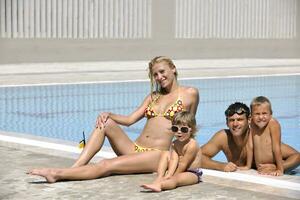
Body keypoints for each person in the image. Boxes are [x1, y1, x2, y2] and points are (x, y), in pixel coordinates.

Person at [27, 56, 200, 183]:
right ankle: (76, 167)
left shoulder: (189, 94)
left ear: (173, 69)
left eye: (162, 72)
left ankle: (57, 174)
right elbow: (130, 119)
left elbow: (190, 128)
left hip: (155, 154)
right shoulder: (153, 96)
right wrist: (108, 114)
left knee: (106, 164)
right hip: (134, 147)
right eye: (155, 74)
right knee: (106, 123)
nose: (159, 77)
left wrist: (183, 161)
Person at [141, 111, 202, 192]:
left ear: (191, 130)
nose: (179, 132)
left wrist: (173, 176)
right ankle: (159, 177)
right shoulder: (175, 143)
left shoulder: (192, 145)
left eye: (184, 129)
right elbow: (174, 160)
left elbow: (183, 164)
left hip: (192, 173)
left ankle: (160, 185)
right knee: (165, 153)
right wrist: (169, 175)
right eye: (175, 128)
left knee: (175, 180)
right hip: (179, 168)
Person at [250, 96, 300, 176]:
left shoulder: (272, 123)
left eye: (264, 113)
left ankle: (279, 165)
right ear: (251, 116)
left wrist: (279, 168)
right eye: (257, 114)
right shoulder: (252, 123)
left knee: (298, 157)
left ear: (270, 114)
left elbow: (276, 147)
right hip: (265, 158)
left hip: (275, 149)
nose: (261, 117)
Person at [200, 102, 253, 172]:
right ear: (227, 123)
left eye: (240, 119)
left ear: (249, 120)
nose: (235, 124)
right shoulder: (224, 137)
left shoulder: (256, 137)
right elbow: (196, 157)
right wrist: (221, 166)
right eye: (231, 120)